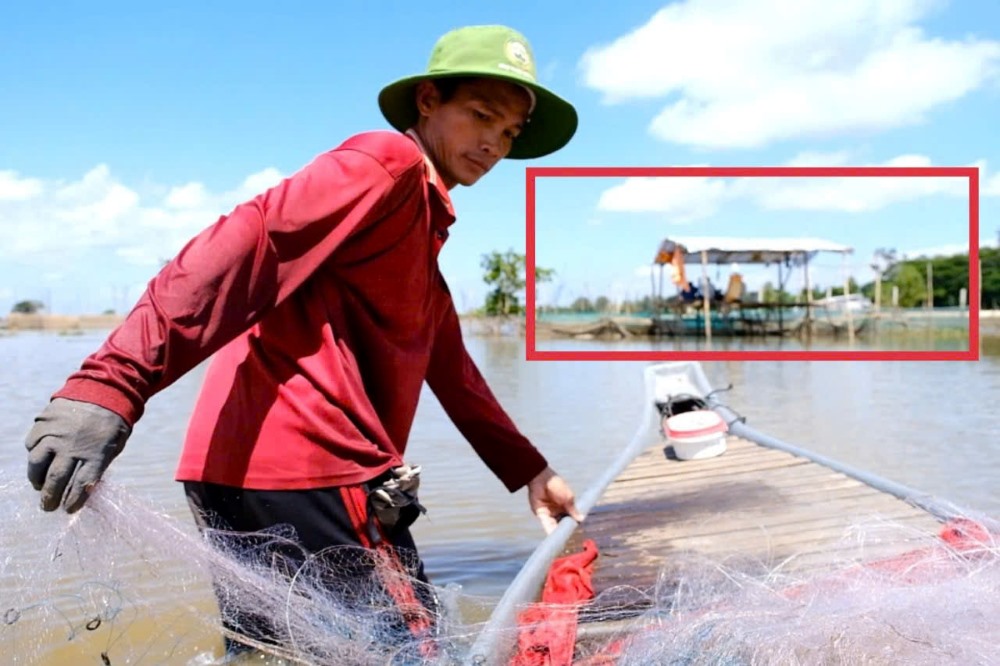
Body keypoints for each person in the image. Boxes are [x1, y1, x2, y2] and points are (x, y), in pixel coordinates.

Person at [23, 24, 584, 661]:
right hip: (317, 473)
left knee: (273, 656)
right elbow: (248, 241)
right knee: (414, 653)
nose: (493, 143)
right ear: (428, 101)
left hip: (225, 476)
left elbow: (450, 366)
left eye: (510, 132)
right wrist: (113, 383)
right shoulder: (388, 163)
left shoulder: (420, 227)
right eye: (481, 115)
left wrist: (529, 470)